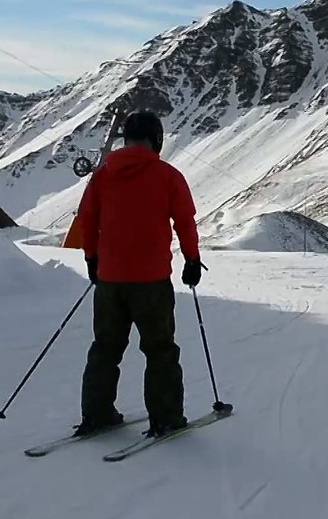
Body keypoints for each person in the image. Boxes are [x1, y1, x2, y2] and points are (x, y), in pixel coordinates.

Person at [75, 111, 204, 438]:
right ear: (157, 140)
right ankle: (165, 418)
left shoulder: (103, 176)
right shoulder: (168, 176)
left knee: (105, 348)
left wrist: (92, 259)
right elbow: (184, 221)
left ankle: (97, 413)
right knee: (160, 350)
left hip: (110, 280)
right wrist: (191, 259)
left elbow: (87, 219)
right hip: (152, 281)